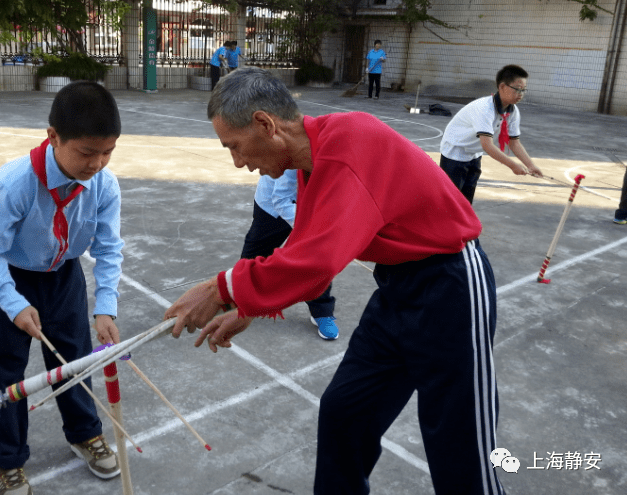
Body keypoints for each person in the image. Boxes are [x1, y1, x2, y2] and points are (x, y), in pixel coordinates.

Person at [164, 67, 505, 495]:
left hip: (451, 287)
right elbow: (304, 250)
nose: (238, 162)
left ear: (266, 125)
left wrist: (220, 289)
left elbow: (317, 262)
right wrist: (248, 305)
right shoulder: (313, 159)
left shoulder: (348, 143)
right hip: (398, 290)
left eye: (234, 146)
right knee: (346, 411)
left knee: (460, 447)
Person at [0, 81, 124, 495]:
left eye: (107, 152)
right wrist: (13, 304)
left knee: (74, 361)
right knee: (5, 374)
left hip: (62, 277)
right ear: (53, 136)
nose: (98, 163)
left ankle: (84, 433)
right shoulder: (16, 183)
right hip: (5, 279)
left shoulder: (105, 186)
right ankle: (7, 459)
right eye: (87, 153)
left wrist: (105, 306)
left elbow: (108, 248)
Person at [242, 169, 338, 340]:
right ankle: (240, 295)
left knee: (318, 257)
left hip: (311, 204)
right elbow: (281, 199)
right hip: (273, 204)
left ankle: (322, 311)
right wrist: (309, 229)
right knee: (255, 253)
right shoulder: (297, 151)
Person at [440, 64, 543, 204]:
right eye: (517, 89)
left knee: (466, 199)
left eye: (524, 90)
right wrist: (513, 165)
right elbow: (487, 145)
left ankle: (463, 225)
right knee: (450, 200)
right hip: (455, 152)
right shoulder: (484, 109)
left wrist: (530, 165)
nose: (521, 94)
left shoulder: (513, 111)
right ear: (502, 87)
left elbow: (514, 143)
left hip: (473, 154)